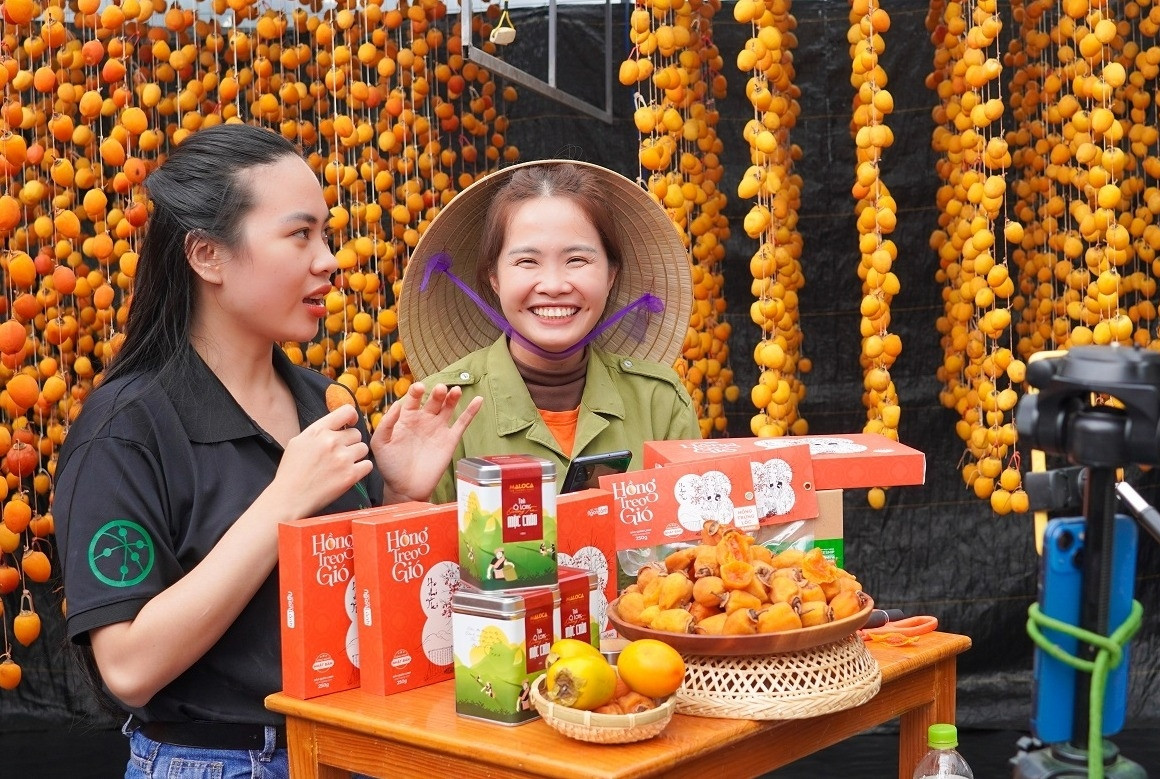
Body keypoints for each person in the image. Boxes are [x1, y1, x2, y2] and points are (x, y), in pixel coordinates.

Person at [53, 123, 480, 778]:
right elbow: (129, 668)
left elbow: (357, 613)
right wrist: (281, 502)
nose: (329, 259)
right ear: (207, 255)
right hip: (217, 762)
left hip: (346, 749)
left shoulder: (321, 403)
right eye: (299, 234)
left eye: (326, 234)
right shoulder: (126, 428)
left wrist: (398, 498)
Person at [397, 159, 700, 503]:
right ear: (494, 277)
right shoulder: (440, 411)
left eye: (577, 260)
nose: (554, 285)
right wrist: (400, 494)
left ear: (611, 275)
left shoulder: (659, 402)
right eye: (527, 262)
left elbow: (695, 545)